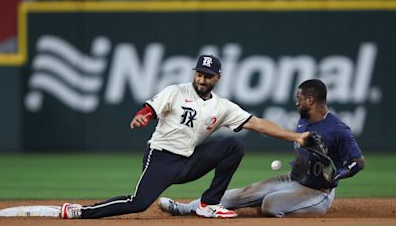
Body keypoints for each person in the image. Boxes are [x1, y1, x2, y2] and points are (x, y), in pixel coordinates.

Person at [59, 55, 310, 219]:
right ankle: (81, 212)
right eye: (199, 73)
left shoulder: (222, 107)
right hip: (161, 159)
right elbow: (150, 108)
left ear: (218, 78)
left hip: (189, 161)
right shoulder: (176, 92)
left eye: (207, 75)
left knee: (234, 144)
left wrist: (295, 137)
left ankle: (208, 204)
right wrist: (143, 115)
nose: (201, 79)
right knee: (139, 202)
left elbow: (258, 124)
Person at [158, 79, 365, 218]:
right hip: (292, 179)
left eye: (299, 99)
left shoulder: (338, 129)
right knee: (236, 195)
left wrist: (337, 175)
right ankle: (185, 208)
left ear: (310, 100)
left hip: (317, 192)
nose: (296, 102)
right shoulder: (305, 121)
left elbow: (358, 162)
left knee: (270, 205)